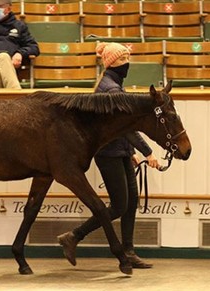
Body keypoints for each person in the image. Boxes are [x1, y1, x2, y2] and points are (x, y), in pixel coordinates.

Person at [57, 42, 159, 269]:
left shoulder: (113, 86)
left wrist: (129, 151)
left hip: (119, 151)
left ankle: (129, 251)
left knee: (131, 201)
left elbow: (119, 126)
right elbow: (128, 127)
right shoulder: (111, 89)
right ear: (112, 63)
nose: (127, 64)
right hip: (109, 154)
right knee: (119, 205)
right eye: (122, 60)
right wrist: (147, 152)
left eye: (127, 59)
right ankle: (74, 236)